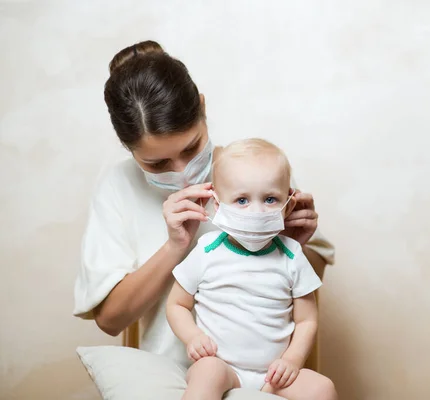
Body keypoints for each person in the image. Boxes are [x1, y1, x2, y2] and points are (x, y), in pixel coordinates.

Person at [73, 40, 335, 379]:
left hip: (265, 376)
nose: (182, 170)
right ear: (128, 148)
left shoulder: (253, 169)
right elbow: (110, 321)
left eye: (192, 147)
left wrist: (291, 242)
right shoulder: (118, 185)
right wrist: (174, 247)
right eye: (157, 162)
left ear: (202, 108)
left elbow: (302, 288)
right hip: (171, 374)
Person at [166, 139, 337, 400]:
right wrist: (193, 337)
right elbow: (176, 304)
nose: (256, 212)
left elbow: (307, 320)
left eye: (270, 199)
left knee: (323, 388)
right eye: (242, 200)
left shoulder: (292, 255)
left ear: (288, 205)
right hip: (222, 366)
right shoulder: (207, 250)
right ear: (218, 205)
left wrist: (292, 360)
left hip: (273, 376)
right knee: (208, 372)